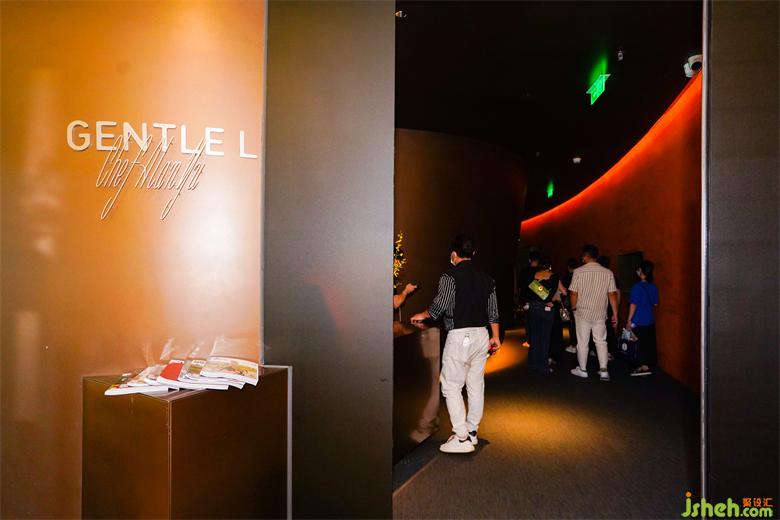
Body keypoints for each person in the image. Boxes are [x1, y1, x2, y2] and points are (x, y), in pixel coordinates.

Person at [411, 234, 500, 454]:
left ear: (453, 254)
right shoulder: (487, 279)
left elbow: (438, 307)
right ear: (473, 253)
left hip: (460, 336)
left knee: (451, 386)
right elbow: (493, 312)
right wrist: (495, 337)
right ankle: (472, 431)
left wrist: (422, 315)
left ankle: (461, 438)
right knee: (476, 384)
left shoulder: (449, 277)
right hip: (482, 335)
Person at [568, 244, 619, 381]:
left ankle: (583, 369)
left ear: (585, 256)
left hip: (582, 312)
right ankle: (604, 371)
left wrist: (573, 308)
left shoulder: (578, 272)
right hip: (600, 313)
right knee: (601, 341)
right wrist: (615, 313)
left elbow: (573, 293)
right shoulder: (608, 273)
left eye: (582, 256)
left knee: (582, 342)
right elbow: (612, 294)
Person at [525, 256, 559, 374]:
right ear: (550, 266)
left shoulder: (533, 275)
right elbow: (550, 294)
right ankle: (543, 366)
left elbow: (528, 292)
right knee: (545, 338)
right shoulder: (554, 276)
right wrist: (548, 299)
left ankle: (532, 364)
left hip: (533, 307)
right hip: (546, 308)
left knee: (534, 337)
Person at [626, 260, 659, 376]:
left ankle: (641, 366)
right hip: (649, 320)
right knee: (647, 343)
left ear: (641, 271)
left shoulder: (637, 287)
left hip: (637, 320)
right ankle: (646, 365)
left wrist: (629, 320)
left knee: (637, 344)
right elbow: (655, 303)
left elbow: (633, 305)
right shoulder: (653, 286)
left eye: (639, 269)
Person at [518, 251, 540, 348]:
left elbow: (520, 287)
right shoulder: (541, 271)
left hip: (527, 300)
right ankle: (537, 340)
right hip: (538, 299)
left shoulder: (524, 271)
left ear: (529, 260)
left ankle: (529, 341)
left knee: (528, 321)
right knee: (538, 320)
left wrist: (520, 300)